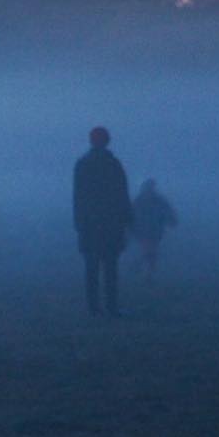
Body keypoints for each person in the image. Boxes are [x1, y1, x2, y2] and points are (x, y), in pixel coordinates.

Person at [73, 126, 133, 316]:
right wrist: (127, 220)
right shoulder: (113, 164)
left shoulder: (83, 164)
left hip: (90, 225)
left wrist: (79, 223)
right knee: (110, 268)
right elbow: (122, 194)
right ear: (107, 141)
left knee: (92, 268)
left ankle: (94, 308)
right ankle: (111, 307)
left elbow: (78, 197)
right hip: (111, 224)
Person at [131, 178, 178, 277]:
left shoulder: (157, 200)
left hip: (154, 230)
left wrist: (171, 220)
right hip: (143, 230)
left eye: (151, 187)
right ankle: (147, 271)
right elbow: (131, 213)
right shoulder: (140, 200)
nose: (150, 190)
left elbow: (167, 212)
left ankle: (145, 268)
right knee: (150, 250)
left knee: (151, 251)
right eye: (149, 187)